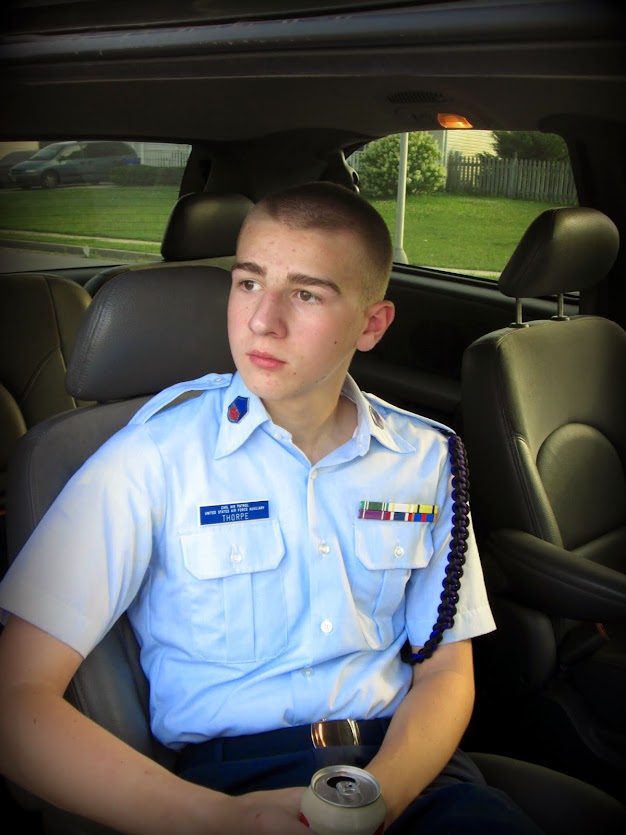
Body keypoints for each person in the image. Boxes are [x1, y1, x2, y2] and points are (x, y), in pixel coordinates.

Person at [0, 182, 544, 835]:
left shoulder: (426, 457)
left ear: (371, 325)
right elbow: (16, 700)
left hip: (411, 774)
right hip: (227, 787)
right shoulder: (152, 457)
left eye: (306, 294)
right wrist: (216, 818)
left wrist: (383, 800)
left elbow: (447, 668)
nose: (263, 319)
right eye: (249, 283)